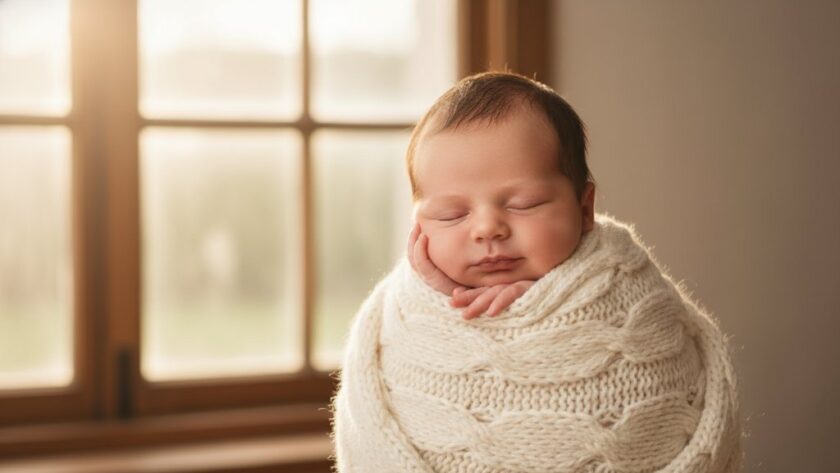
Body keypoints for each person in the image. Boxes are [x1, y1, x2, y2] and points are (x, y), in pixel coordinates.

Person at [332, 72, 742, 472]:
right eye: (451, 214)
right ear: (418, 225)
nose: (487, 228)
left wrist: (547, 298)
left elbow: (663, 391)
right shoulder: (403, 308)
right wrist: (442, 296)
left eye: (523, 204)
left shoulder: (624, 290)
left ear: (584, 209)